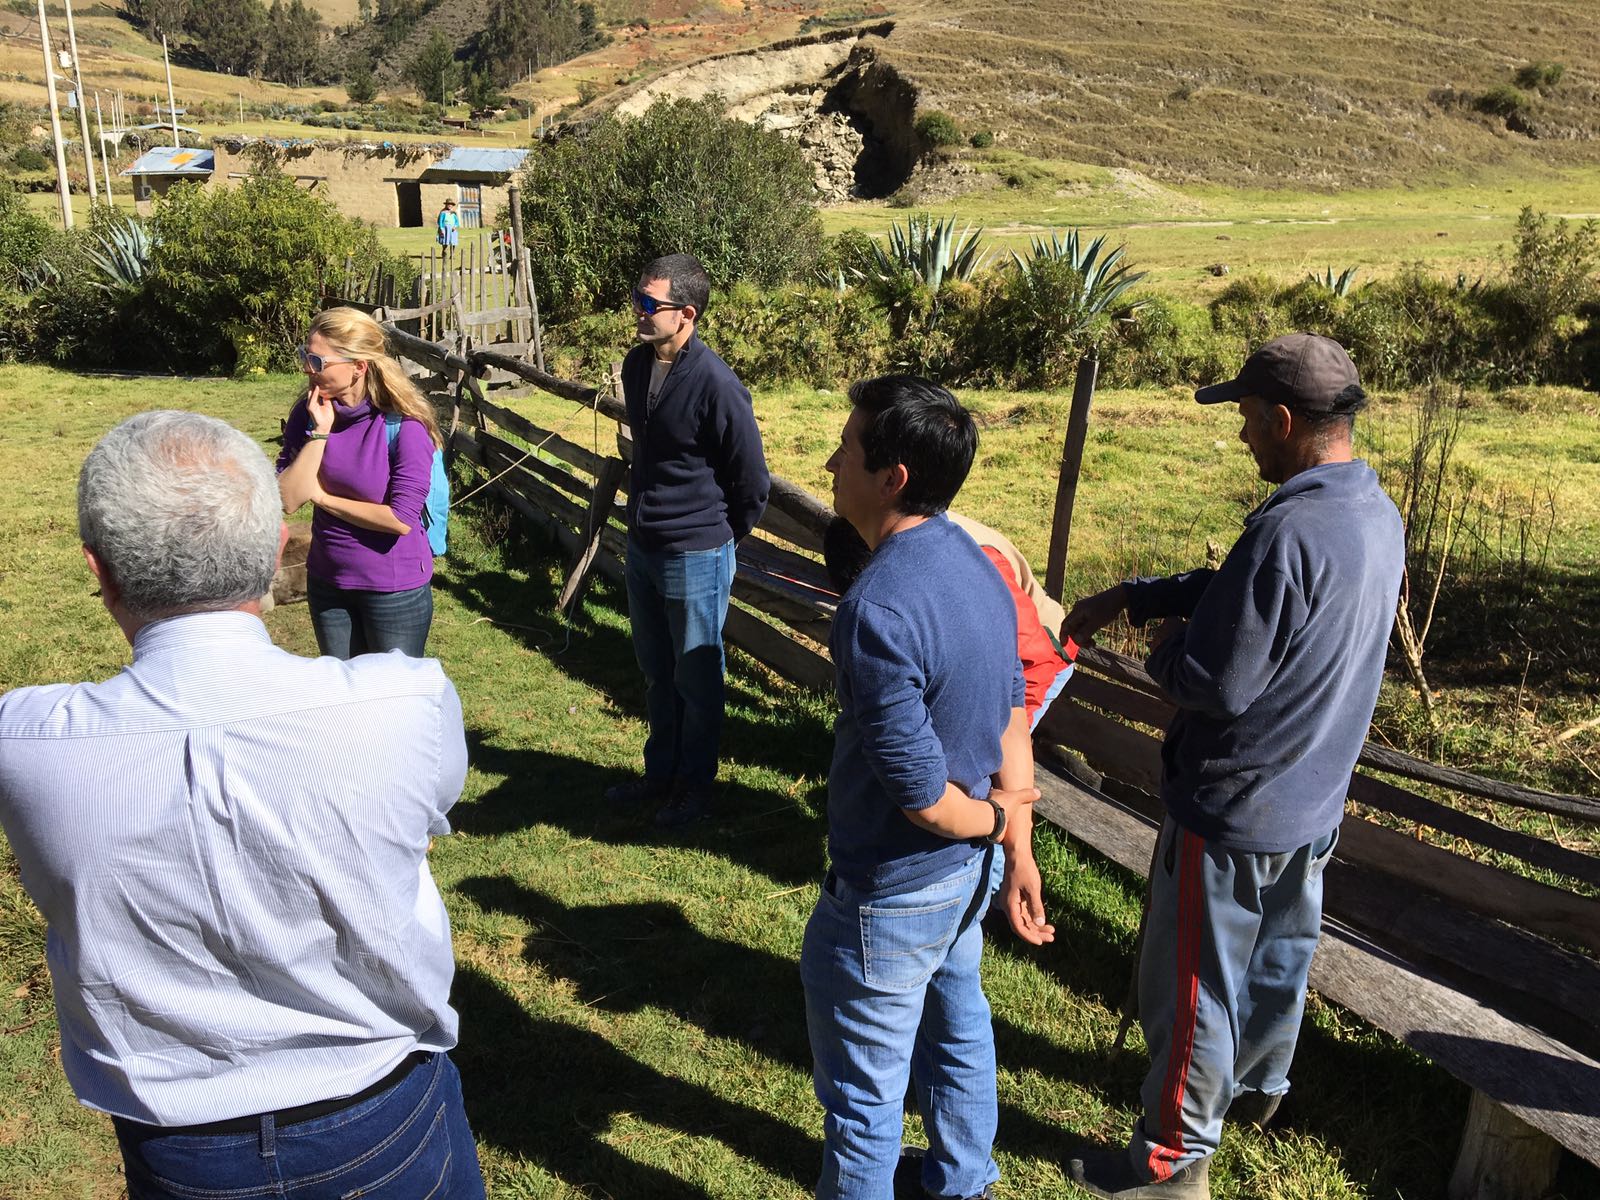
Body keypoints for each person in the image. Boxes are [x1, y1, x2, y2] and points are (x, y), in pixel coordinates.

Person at [0, 411, 484, 1198]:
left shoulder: (23, 740)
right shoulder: (408, 703)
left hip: (178, 1143)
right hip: (380, 1106)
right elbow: (424, 820)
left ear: (101, 572)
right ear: (274, 553)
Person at [1061, 334, 1405, 1199]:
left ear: (1285, 421)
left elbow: (1216, 681)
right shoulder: (1370, 511)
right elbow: (1247, 594)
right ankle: (1252, 1091)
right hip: (1310, 799)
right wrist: (1139, 595)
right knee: (1275, 960)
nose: (1243, 434)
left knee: (1194, 992)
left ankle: (1170, 1164)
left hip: (1233, 806)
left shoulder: (1287, 529)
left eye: (1249, 418)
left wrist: (1166, 646)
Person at [801, 375, 1052, 1200]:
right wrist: (1015, 845)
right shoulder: (975, 561)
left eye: (847, 448)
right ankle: (963, 1179)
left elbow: (922, 796)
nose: (832, 462)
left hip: (893, 889)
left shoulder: (876, 609)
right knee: (956, 1027)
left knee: (863, 1099)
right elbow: (1012, 710)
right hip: (963, 878)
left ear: (892, 477)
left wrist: (999, 824)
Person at [605, 252, 770, 828]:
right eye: (637, 299)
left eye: (650, 304)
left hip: (695, 552)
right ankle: (661, 775)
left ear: (687, 314)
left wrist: (718, 535)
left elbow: (751, 480)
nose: (639, 311)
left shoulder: (718, 385)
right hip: (644, 545)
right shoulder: (636, 365)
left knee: (696, 680)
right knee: (656, 670)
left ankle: (694, 789)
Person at [278, 305, 442, 658]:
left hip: (393, 590)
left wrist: (323, 499)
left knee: (391, 690)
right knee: (342, 687)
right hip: (326, 582)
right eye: (305, 356)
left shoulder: (405, 426)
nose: (308, 369)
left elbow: (399, 519)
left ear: (358, 367)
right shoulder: (308, 415)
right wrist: (319, 433)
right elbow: (288, 499)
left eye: (318, 362)